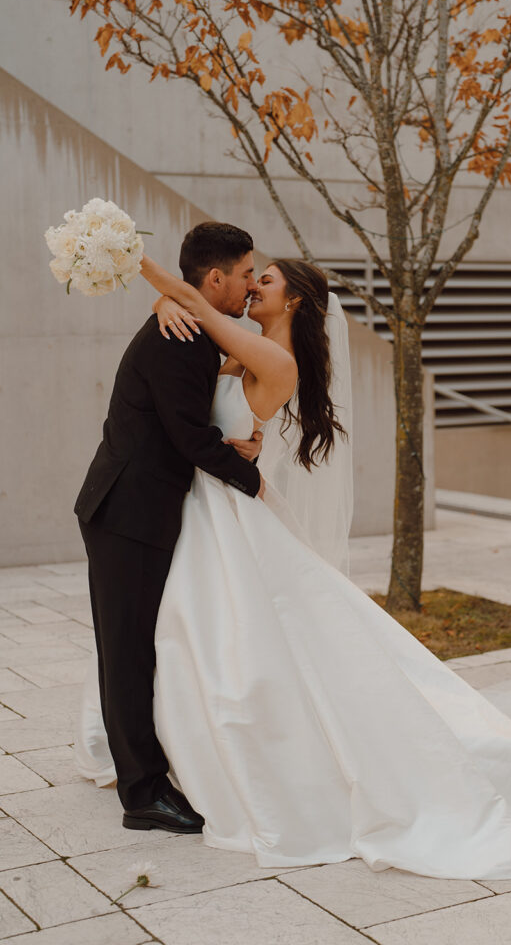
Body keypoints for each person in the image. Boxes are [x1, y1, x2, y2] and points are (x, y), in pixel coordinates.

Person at [77, 247, 511, 879]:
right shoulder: (236, 340)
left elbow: (205, 324)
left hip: (227, 504)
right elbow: (198, 336)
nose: (257, 283)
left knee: (233, 644)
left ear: (298, 301)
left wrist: (136, 263)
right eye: (253, 275)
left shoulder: (275, 359)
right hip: (202, 509)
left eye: (269, 279)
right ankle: (166, 760)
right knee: (190, 638)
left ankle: (197, 769)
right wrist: (163, 300)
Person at [74, 222, 263, 833]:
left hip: (142, 509)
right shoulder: (180, 336)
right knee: (126, 654)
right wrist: (254, 480)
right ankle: (143, 795)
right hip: (126, 512)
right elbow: (190, 436)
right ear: (214, 278)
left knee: (141, 649)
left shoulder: (190, 322)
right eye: (243, 274)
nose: (249, 284)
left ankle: (147, 768)